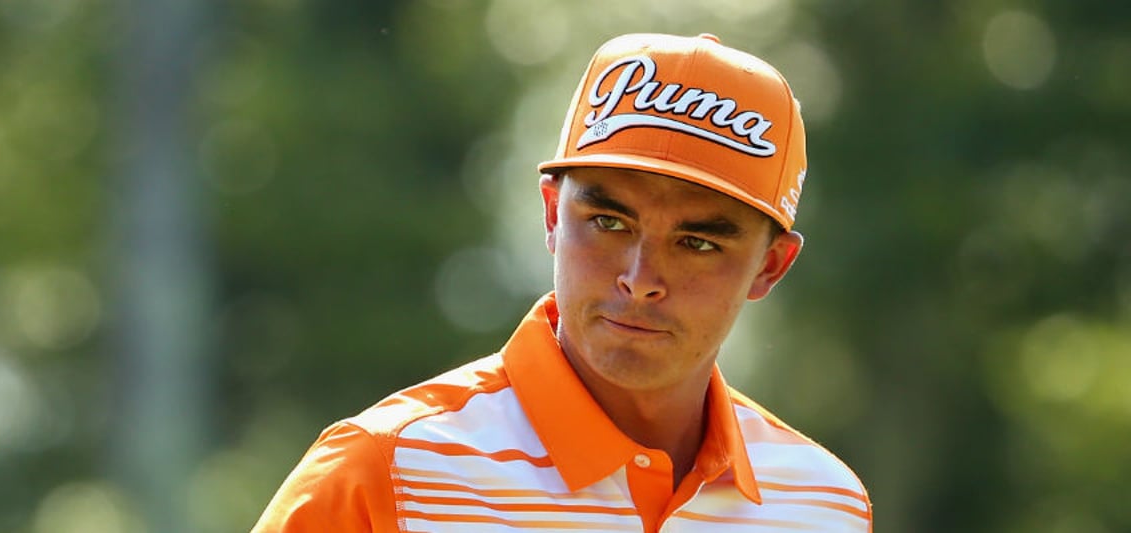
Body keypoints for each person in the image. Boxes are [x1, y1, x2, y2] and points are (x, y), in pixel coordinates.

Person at [251, 32, 872, 532]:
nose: (640, 280)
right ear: (552, 215)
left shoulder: (824, 504)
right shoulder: (383, 472)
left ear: (770, 266)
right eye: (608, 222)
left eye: (698, 243)